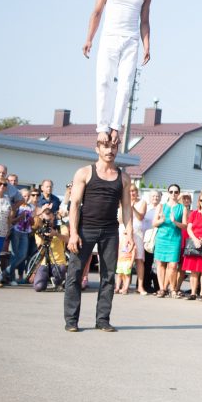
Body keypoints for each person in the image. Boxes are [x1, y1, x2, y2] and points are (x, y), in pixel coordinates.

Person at [82, 0, 152, 147]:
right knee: (104, 80)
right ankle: (102, 127)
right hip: (109, 38)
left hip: (131, 41)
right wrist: (89, 39)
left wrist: (147, 45)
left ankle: (116, 126)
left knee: (125, 84)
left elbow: (144, 22)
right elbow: (96, 12)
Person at [65, 138, 134, 332]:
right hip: (86, 228)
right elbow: (75, 204)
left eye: (113, 147)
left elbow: (126, 207)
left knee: (109, 275)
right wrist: (73, 233)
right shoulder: (85, 172)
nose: (110, 150)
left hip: (111, 231)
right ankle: (71, 320)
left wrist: (128, 233)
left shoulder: (123, 177)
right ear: (97, 149)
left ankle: (102, 320)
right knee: (75, 274)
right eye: (105, 146)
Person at [152, 185, 186, 298]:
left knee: (172, 265)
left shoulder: (182, 208)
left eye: (176, 192)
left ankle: (172, 289)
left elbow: (185, 226)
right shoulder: (161, 207)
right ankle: (162, 289)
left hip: (175, 239)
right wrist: (161, 220)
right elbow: (154, 223)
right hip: (162, 238)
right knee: (160, 264)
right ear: (168, 193)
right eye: (171, 192)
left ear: (178, 193)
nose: (173, 194)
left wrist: (175, 221)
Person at [31, 206, 68, 291]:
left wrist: (56, 234)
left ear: (53, 217)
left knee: (61, 269)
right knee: (38, 287)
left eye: (50, 220)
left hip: (59, 262)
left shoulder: (61, 227)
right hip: (44, 263)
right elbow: (40, 249)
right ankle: (45, 278)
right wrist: (43, 237)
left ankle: (58, 281)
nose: (48, 222)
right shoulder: (40, 230)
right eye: (46, 220)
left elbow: (68, 240)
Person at [6, 188, 36, 285]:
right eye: (24, 196)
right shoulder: (17, 206)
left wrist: (31, 220)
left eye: (28, 196)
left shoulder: (31, 207)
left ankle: (4, 273)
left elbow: (32, 223)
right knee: (14, 255)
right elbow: (12, 221)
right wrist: (20, 217)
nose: (26, 198)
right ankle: (11, 278)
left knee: (22, 255)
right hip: (16, 231)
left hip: (25, 232)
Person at [128, 185, 148, 294]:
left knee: (139, 259)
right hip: (125, 232)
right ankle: (123, 284)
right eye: (130, 191)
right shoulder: (123, 201)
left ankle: (140, 286)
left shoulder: (142, 202)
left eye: (134, 191)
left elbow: (140, 217)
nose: (132, 193)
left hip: (138, 233)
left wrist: (133, 208)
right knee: (124, 258)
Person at [141, 189, 162, 293]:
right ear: (149, 197)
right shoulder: (146, 208)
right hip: (146, 239)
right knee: (146, 263)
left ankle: (157, 286)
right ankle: (145, 285)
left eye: (157, 196)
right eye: (153, 196)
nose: (155, 198)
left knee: (156, 264)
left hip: (157, 239)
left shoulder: (161, 208)